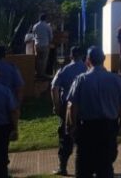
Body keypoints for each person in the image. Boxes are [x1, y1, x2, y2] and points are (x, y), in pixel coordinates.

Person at [66, 46, 121, 178]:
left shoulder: (80, 80)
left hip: (87, 128)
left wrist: (73, 126)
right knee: (105, 167)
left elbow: (72, 106)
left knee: (84, 168)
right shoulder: (115, 79)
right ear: (104, 59)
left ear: (87, 60)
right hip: (108, 128)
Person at [50, 46, 87, 176]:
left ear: (70, 56)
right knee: (84, 138)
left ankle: (63, 167)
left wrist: (57, 105)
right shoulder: (88, 69)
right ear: (82, 56)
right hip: (85, 108)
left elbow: (54, 88)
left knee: (65, 138)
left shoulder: (64, 70)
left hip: (68, 107)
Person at [32, 14, 54, 78]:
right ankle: (42, 73)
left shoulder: (35, 26)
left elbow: (33, 35)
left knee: (38, 59)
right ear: (45, 19)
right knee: (44, 60)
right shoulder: (47, 26)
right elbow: (51, 37)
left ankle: (38, 73)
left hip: (37, 45)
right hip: (45, 45)